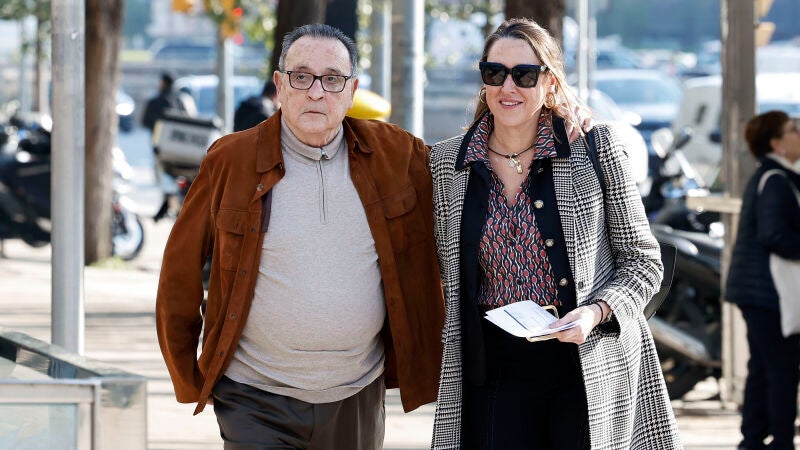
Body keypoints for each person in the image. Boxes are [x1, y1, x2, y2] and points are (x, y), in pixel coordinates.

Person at [155, 24, 445, 449]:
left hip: (356, 393)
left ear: (352, 90)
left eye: (332, 79)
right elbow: (178, 274)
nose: (316, 92)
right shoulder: (231, 160)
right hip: (254, 396)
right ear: (279, 85)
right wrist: (188, 375)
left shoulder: (398, 156)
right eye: (302, 76)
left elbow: (472, 173)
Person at [429, 18, 682, 449]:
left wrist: (596, 312)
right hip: (492, 368)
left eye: (525, 75)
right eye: (495, 72)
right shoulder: (447, 163)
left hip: (588, 363)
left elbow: (643, 262)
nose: (508, 87)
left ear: (549, 82)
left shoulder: (594, 148)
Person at [726, 110, 800, 450]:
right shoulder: (776, 180)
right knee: (782, 368)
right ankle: (781, 441)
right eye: (792, 129)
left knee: (763, 366)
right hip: (768, 291)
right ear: (777, 143)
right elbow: (775, 236)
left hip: (758, 290)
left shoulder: (774, 177)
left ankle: (753, 439)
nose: (798, 134)